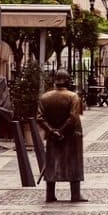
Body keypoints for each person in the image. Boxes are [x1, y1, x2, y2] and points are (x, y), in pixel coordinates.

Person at [37, 70, 87, 203]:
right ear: (68, 80)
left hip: (52, 136)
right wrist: (62, 131)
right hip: (72, 135)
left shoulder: (45, 97)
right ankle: (75, 194)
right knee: (74, 163)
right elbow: (73, 117)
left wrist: (52, 131)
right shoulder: (73, 97)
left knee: (52, 163)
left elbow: (39, 118)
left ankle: (50, 194)